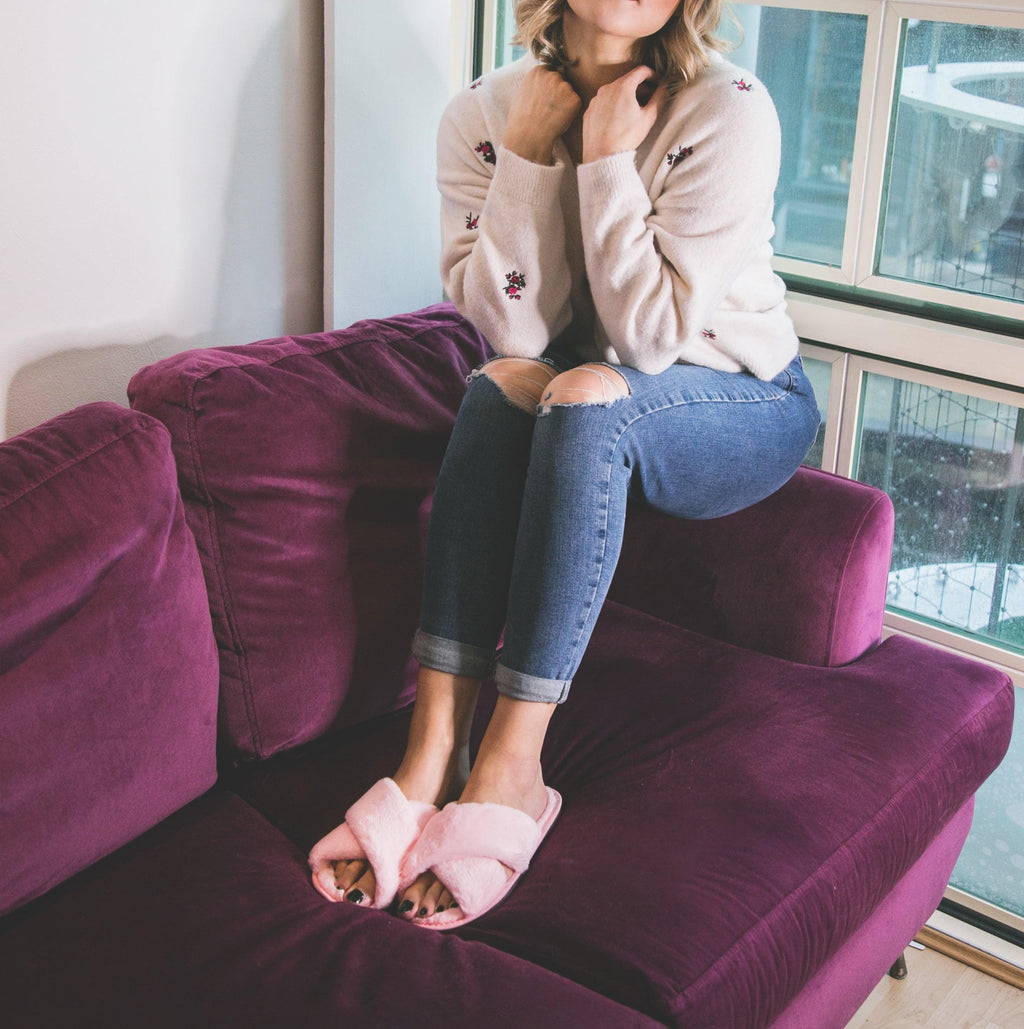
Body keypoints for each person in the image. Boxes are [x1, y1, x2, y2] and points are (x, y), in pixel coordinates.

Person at [309, 0, 820, 928]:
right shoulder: (483, 114)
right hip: (576, 388)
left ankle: (514, 765)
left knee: (584, 391)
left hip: (743, 394)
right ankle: (430, 753)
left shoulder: (729, 109)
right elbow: (514, 332)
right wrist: (526, 152)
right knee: (503, 384)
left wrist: (605, 160)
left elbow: (651, 336)